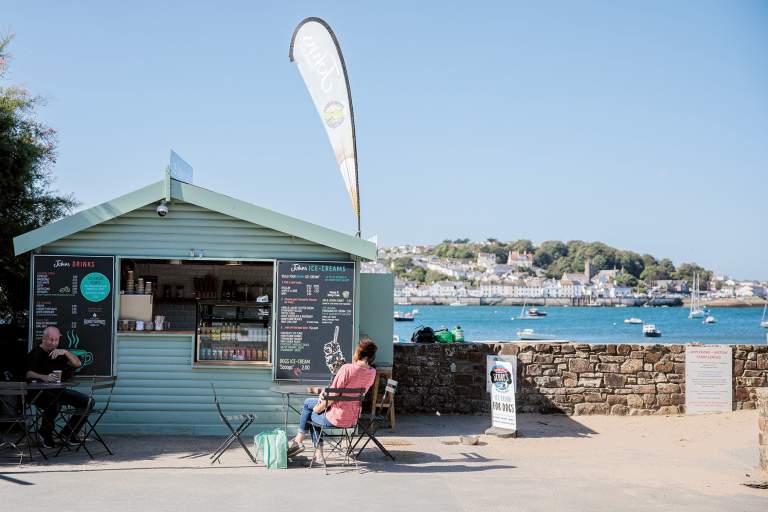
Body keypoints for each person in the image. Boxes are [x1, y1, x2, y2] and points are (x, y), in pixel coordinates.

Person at [287, 338, 378, 461]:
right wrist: (322, 395)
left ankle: (303, 443)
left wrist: (317, 408)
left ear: (359, 353)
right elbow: (341, 394)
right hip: (352, 419)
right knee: (312, 407)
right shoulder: (372, 373)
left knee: (311, 411)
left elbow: (333, 395)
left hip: (336, 418)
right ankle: (303, 443)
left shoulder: (347, 369)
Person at [26, 326, 94, 448]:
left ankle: (68, 434)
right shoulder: (35, 353)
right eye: (50, 340)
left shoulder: (59, 353)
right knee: (54, 403)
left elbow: (77, 363)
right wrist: (44, 377)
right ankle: (45, 433)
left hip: (58, 391)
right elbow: (27, 373)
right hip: (38, 393)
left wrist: (66, 352)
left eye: (56, 340)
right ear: (43, 339)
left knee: (88, 402)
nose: (53, 343)